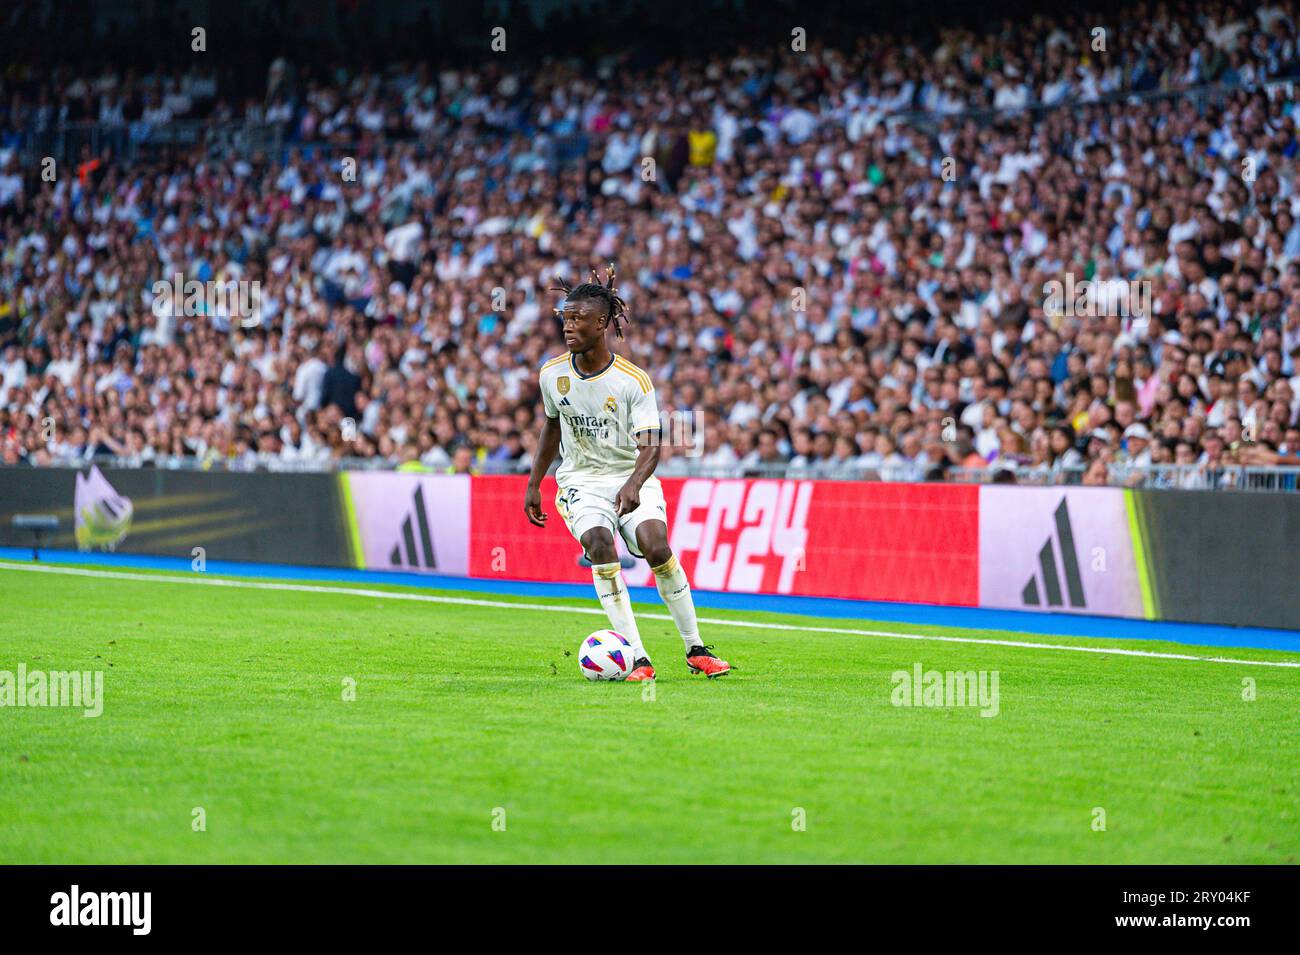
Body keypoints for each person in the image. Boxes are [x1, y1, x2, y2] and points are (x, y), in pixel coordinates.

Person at [523, 266, 730, 682]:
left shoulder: (634, 381)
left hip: (630, 475)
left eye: (578, 318)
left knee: (656, 547)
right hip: (580, 481)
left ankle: (695, 648)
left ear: (601, 323)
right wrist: (534, 484)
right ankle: (636, 657)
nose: (568, 326)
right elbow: (551, 426)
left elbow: (651, 445)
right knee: (600, 544)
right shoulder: (552, 374)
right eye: (565, 317)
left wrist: (634, 483)